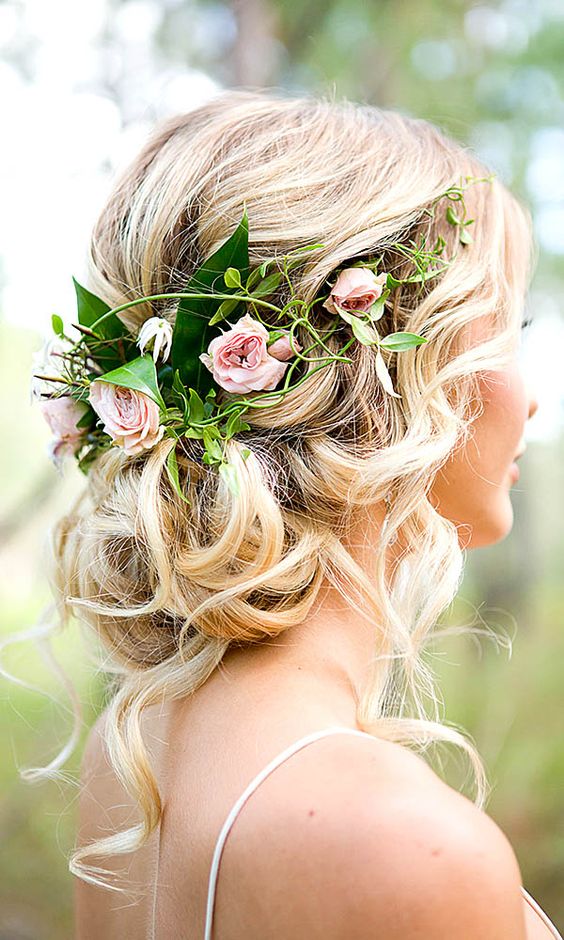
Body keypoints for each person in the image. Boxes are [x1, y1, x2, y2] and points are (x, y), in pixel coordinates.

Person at [32, 89, 560, 938]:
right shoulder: (402, 848)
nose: (529, 400)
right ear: (386, 368)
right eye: (512, 328)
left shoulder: (134, 754)